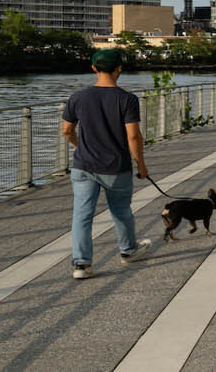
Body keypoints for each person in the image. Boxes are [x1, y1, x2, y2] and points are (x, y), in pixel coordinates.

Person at [61, 48, 150, 279]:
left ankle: (82, 265)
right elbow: (133, 136)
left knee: (82, 214)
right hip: (116, 166)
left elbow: (67, 130)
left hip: (83, 166)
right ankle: (128, 252)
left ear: (93, 68)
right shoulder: (127, 99)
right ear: (119, 69)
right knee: (121, 211)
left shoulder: (77, 98)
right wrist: (140, 163)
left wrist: (78, 146)